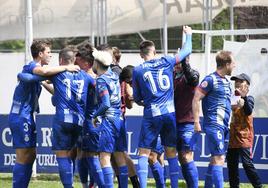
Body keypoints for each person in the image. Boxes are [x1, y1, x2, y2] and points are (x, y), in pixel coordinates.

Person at [9, 40, 79, 188]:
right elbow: (45, 73)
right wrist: (67, 67)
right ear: (40, 54)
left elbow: (43, 78)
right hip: (21, 115)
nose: (50, 55)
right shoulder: (32, 66)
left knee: (31, 154)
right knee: (23, 155)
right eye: (48, 52)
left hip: (26, 115)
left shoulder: (35, 72)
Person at [132, 25, 192, 188]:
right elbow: (188, 49)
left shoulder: (137, 70)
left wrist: (143, 101)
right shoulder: (166, 61)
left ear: (141, 55)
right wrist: (189, 35)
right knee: (171, 153)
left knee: (143, 153)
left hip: (152, 113)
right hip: (169, 113)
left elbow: (137, 97)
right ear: (155, 51)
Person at [192, 50, 236, 188]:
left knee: (215, 159)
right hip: (214, 124)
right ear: (227, 64)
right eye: (233, 62)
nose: (235, 65)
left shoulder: (228, 82)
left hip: (225, 126)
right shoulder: (210, 80)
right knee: (219, 159)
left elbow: (226, 103)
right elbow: (196, 99)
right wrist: (196, 121)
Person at [92, 49, 128, 188]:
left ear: (97, 63)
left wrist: (95, 116)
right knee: (120, 156)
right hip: (119, 119)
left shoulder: (101, 80)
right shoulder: (113, 75)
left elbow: (106, 103)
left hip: (109, 121)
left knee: (104, 157)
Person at [75, 43, 105, 188]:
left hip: (90, 121)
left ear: (86, 63)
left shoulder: (91, 79)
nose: (75, 63)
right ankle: (88, 186)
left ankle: (98, 185)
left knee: (91, 156)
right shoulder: (95, 77)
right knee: (83, 154)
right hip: (86, 121)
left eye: (78, 61)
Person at [227, 73, 263, 188]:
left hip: (244, 137)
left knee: (247, 164)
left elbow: (248, 111)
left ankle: (258, 186)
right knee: (232, 165)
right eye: (235, 81)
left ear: (247, 85)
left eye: (240, 81)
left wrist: (244, 97)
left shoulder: (250, 98)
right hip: (233, 137)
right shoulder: (231, 97)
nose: (237, 83)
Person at [174, 57, 200, 188]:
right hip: (173, 122)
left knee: (186, 156)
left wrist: (185, 63)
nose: (176, 64)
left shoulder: (192, 75)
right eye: (176, 61)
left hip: (188, 122)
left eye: (180, 62)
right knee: (180, 158)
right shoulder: (171, 76)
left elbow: (193, 78)